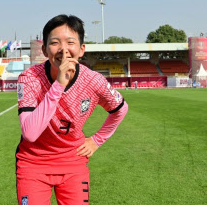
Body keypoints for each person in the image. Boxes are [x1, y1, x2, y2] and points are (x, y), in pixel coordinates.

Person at [15, 14, 128, 204]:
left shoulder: (93, 81)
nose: (63, 50)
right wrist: (59, 84)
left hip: (73, 162)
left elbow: (121, 109)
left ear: (82, 49)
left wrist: (96, 140)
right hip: (33, 163)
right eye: (55, 43)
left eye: (70, 42)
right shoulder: (29, 78)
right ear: (44, 49)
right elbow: (30, 133)